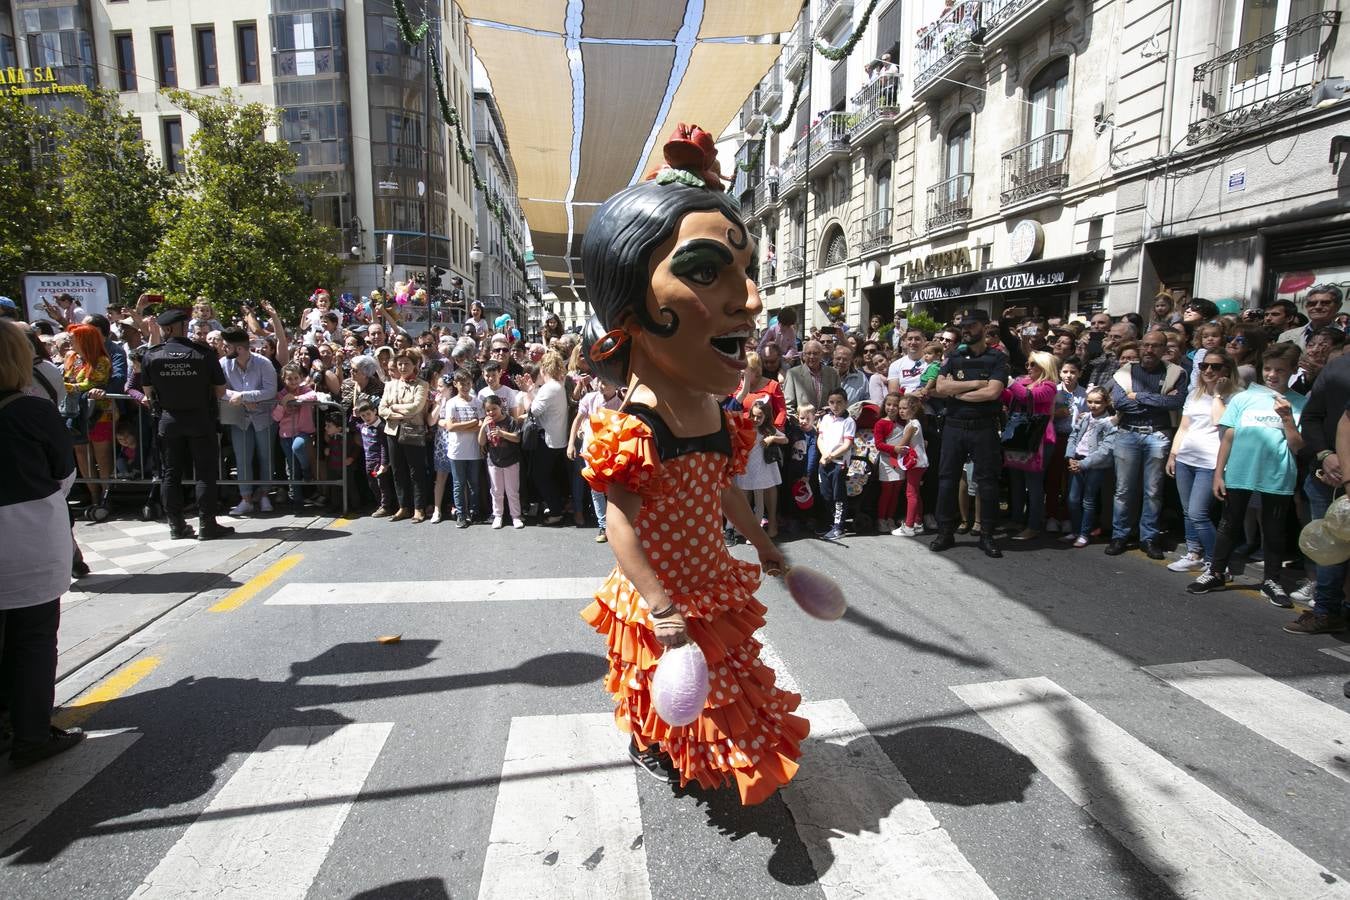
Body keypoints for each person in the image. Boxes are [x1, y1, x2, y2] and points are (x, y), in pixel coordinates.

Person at [575, 142, 803, 804]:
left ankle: (696, 753)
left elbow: (719, 489)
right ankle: (650, 743)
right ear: (629, 311)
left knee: (724, 685)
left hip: (711, 577)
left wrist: (763, 545)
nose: (751, 301)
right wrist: (661, 606)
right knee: (663, 683)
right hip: (667, 591)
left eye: (746, 271)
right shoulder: (636, 425)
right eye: (708, 273)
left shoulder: (712, 409)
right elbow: (620, 526)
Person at [0, 320, 86, 766]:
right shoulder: (32, 410)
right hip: (24, 538)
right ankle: (32, 734)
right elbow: (63, 471)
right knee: (33, 639)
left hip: (23, 535)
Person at [1188, 343, 1305, 604]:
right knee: (1229, 523)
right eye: (1269, 369)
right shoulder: (1243, 397)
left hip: (1278, 474)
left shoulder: (1299, 402)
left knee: (1274, 530)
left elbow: (1298, 446)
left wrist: (1287, 418)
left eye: (1280, 371)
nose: (1273, 375)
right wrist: (1219, 473)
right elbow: (1227, 436)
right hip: (1240, 471)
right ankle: (1216, 572)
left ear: (1293, 371)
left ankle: (1272, 580)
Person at [141, 308, 233, 541]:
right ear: (183, 327)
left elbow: (148, 392)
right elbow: (220, 390)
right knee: (205, 473)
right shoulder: (202, 353)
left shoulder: (153, 355)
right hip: (200, 419)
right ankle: (207, 525)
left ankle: (176, 525)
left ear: (166, 329)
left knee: (170, 474)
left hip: (169, 420)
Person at [930, 308, 1009, 558]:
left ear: (985, 328)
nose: (966, 330)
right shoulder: (954, 356)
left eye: (972, 325)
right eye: (964, 325)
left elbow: (993, 393)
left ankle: (986, 534)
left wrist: (957, 392)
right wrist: (974, 384)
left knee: (987, 483)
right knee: (946, 480)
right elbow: (940, 387)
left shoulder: (997, 358)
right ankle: (945, 531)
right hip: (954, 426)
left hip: (984, 428)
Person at [1106, 330, 1188, 559]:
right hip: (1127, 434)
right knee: (1123, 490)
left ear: (1164, 349)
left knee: (1153, 491)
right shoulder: (1125, 371)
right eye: (1147, 345)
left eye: (1156, 346)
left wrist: (1139, 396)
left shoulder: (1176, 373)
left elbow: (1177, 402)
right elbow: (1121, 404)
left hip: (1157, 435)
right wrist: (1159, 400)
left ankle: (1148, 537)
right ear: (1141, 347)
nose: (1150, 350)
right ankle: (1120, 535)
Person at [1286, 345, 1350, 634]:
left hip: (1338, 475)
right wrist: (1326, 455)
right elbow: (1311, 418)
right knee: (1330, 547)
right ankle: (1326, 610)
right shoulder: (1336, 370)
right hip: (1327, 478)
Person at [1165, 351, 1237, 574]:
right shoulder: (1194, 394)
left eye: (1215, 367)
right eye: (1205, 366)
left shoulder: (1235, 396)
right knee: (1188, 512)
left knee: (1198, 513)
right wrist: (1173, 455)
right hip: (1186, 458)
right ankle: (1194, 553)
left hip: (1211, 462)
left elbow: (1220, 422)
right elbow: (1184, 427)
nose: (1208, 371)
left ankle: (1217, 562)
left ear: (1227, 370)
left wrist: (1217, 395)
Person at [1003, 351, 1060, 540]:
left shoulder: (1050, 386)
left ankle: (1034, 524)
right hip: (1019, 434)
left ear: (1044, 366)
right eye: (1027, 364)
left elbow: (1029, 398)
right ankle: (1017, 518)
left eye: (1033, 364)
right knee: (1016, 480)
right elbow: (1008, 398)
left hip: (1039, 438)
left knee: (1034, 484)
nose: (1028, 367)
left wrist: (1010, 383)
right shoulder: (1022, 382)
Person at [220, 330, 278, 515]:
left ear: (238, 348)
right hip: (240, 419)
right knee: (242, 458)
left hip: (264, 418)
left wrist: (244, 396)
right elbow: (219, 389)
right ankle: (245, 499)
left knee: (265, 456)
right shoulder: (223, 364)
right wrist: (241, 398)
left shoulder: (264, 363)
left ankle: (264, 496)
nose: (223, 348)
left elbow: (270, 390)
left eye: (227, 346)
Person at [62, 324, 115, 511]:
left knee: (102, 457)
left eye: (73, 337)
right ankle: (93, 495)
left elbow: (89, 383)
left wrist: (65, 386)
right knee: (81, 454)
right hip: (74, 413)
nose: (69, 340)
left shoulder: (101, 360)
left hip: (98, 414)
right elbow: (68, 379)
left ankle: (107, 497)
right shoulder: (71, 358)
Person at [379, 348, 430, 522]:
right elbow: (381, 409)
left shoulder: (422, 384)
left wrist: (394, 408)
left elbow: (416, 407)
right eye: (399, 363)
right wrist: (399, 413)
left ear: (415, 365)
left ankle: (419, 508)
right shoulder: (390, 384)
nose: (402, 367)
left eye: (407, 363)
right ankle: (403, 507)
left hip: (413, 431)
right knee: (398, 470)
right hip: (393, 431)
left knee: (416, 470)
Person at [1063, 387, 1116, 547]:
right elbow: (1073, 436)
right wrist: (1071, 456)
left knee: (1089, 500)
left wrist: (1082, 464)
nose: (1093, 405)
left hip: (1094, 465)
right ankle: (1076, 529)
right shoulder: (1085, 417)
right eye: (1090, 402)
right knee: (1072, 499)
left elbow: (1105, 450)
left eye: (1098, 402)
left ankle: (1084, 533)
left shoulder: (1110, 422)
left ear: (1106, 402)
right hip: (1077, 460)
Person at [527, 350, 571, 524]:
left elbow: (534, 410)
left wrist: (529, 392)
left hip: (548, 438)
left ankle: (555, 510)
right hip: (557, 437)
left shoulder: (549, 387)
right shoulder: (559, 384)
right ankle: (555, 505)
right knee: (549, 475)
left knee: (540, 476)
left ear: (543, 368)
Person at [271, 364, 319, 509]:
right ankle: (297, 499)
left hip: (303, 432)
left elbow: (313, 396)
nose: (293, 381)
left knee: (297, 447)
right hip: (286, 435)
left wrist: (296, 398)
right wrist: (283, 403)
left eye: (296, 378)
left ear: (301, 378)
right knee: (292, 467)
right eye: (289, 378)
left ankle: (307, 470)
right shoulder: (280, 395)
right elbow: (276, 417)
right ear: (284, 379)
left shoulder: (305, 389)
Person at [443, 369, 484, 528]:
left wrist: (465, 426)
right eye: (462, 384)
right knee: (459, 483)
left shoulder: (477, 402)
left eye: (468, 383)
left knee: (474, 482)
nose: (465, 387)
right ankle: (461, 513)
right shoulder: (452, 403)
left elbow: (481, 424)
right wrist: (471, 423)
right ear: (455, 384)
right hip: (457, 450)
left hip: (474, 449)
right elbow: (450, 427)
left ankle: (474, 511)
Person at [815, 388, 855, 541]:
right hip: (825, 462)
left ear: (846, 403)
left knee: (839, 496)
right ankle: (831, 523)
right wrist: (825, 455)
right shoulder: (825, 419)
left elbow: (846, 445)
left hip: (839, 463)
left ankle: (839, 527)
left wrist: (831, 456)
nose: (835, 406)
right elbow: (820, 439)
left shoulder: (849, 421)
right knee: (826, 494)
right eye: (832, 402)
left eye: (839, 402)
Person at [479, 393, 524, 529]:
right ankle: (498, 515)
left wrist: (502, 433)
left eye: (494, 408)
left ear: (501, 407)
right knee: (496, 490)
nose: (491, 412)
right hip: (494, 461)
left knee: (512, 491)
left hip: (511, 460)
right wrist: (482, 427)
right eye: (488, 410)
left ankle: (515, 516)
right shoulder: (488, 423)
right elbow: (481, 442)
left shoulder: (510, 421)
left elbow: (517, 438)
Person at [356, 400, 396, 516]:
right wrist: (354, 416)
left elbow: (384, 446)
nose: (366, 417)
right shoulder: (363, 426)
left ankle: (386, 506)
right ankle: (380, 504)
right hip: (369, 461)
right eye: (363, 415)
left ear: (375, 411)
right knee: (373, 484)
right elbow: (352, 425)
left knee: (382, 484)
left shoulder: (380, 427)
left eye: (368, 414)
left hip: (378, 462)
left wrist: (384, 463)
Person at [784, 339, 839, 419]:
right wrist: (800, 422)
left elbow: (838, 400)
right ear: (803, 355)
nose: (812, 357)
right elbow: (788, 405)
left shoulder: (833, 373)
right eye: (808, 353)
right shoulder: (793, 374)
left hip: (828, 422)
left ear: (821, 354)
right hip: (802, 425)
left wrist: (828, 411)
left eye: (815, 353)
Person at [1279, 284, 1343, 349]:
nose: (1318, 307)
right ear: (1306, 307)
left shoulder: (1346, 336)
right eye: (1312, 303)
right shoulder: (1286, 336)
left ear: (1338, 306)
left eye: (1325, 303)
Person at [887, 328, 927, 395]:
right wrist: (912, 395)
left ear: (924, 341)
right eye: (910, 339)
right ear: (905, 341)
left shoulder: (932, 362)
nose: (913, 342)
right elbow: (893, 394)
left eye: (917, 339)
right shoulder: (895, 365)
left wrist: (924, 392)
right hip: (904, 403)